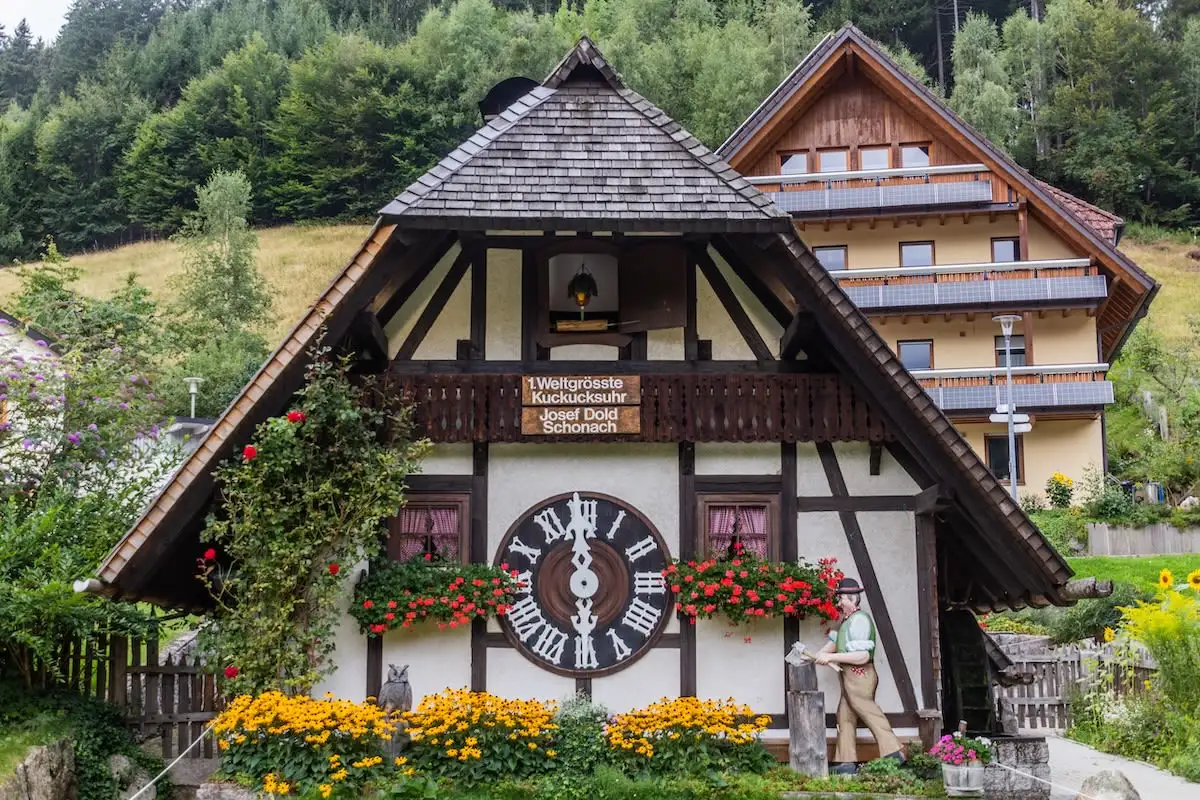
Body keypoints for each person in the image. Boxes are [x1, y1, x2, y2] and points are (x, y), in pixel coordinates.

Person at [814, 577, 904, 774]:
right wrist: (818, 655)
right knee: (845, 716)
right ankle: (846, 761)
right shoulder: (846, 621)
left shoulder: (860, 620)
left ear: (852, 599)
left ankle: (893, 751)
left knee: (868, 710)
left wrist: (831, 657)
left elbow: (862, 656)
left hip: (860, 675)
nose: (839, 603)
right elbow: (834, 643)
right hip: (848, 676)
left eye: (841, 599)